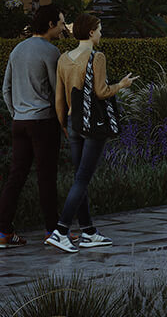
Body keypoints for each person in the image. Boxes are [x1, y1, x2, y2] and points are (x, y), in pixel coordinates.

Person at [46, 13, 135, 253]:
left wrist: (64, 125)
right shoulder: (97, 57)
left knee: (79, 178)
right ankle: (61, 231)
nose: (101, 34)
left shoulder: (64, 58)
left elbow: (59, 98)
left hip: (73, 123)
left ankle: (88, 231)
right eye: (100, 29)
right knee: (82, 179)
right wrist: (122, 85)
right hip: (93, 125)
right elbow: (101, 92)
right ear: (91, 32)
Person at [0, 4, 67, 249]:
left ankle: (4, 233)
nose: (62, 28)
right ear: (50, 25)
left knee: (15, 177)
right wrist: (64, 122)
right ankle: (52, 231)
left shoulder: (17, 49)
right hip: (43, 121)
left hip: (20, 122)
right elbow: (58, 92)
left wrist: (16, 112)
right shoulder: (50, 52)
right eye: (60, 23)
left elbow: (5, 88)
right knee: (46, 177)